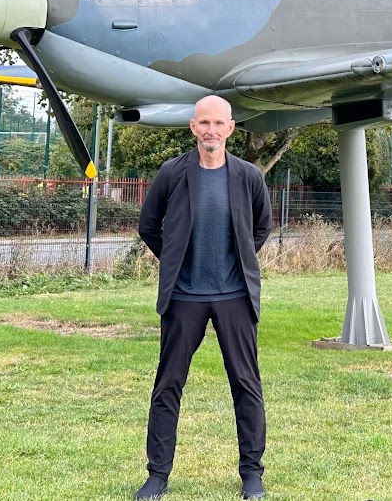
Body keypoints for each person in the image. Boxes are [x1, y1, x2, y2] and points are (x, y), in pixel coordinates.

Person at [136, 95, 272, 500]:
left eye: (218, 123)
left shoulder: (248, 176)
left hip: (235, 296)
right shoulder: (171, 173)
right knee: (168, 386)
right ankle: (157, 476)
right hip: (184, 297)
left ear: (230, 128)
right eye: (204, 123)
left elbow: (261, 228)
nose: (211, 130)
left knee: (246, 385)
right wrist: (175, 259)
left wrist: (238, 261)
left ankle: (252, 475)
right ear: (193, 127)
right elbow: (149, 226)